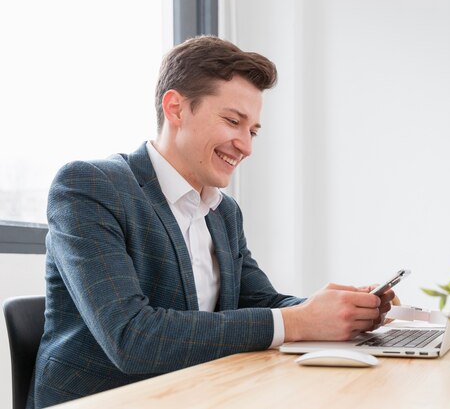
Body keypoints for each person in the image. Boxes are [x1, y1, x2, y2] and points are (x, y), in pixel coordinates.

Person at [29, 36, 395, 408]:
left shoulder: (224, 212)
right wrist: (302, 321)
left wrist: (340, 312)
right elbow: (132, 337)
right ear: (176, 109)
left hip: (200, 393)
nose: (246, 146)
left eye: (252, 131)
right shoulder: (91, 186)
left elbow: (260, 301)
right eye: (233, 121)